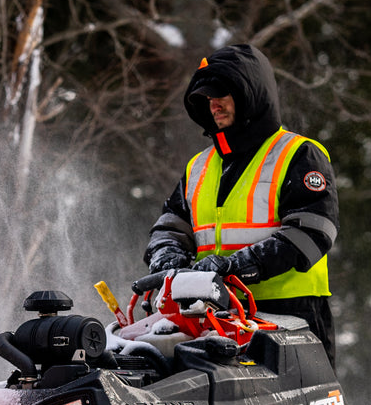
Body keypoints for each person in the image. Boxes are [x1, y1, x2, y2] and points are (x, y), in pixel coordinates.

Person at [141, 43, 340, 365]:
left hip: (291, 317)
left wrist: (236, 266)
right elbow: (171, 226)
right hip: (216, 318)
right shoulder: (199, 166)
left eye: (222, 94)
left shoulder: (299, 154)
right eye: (206, 98)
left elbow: (312, 233)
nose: (213, 104)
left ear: (251, 94)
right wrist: (167, 256)